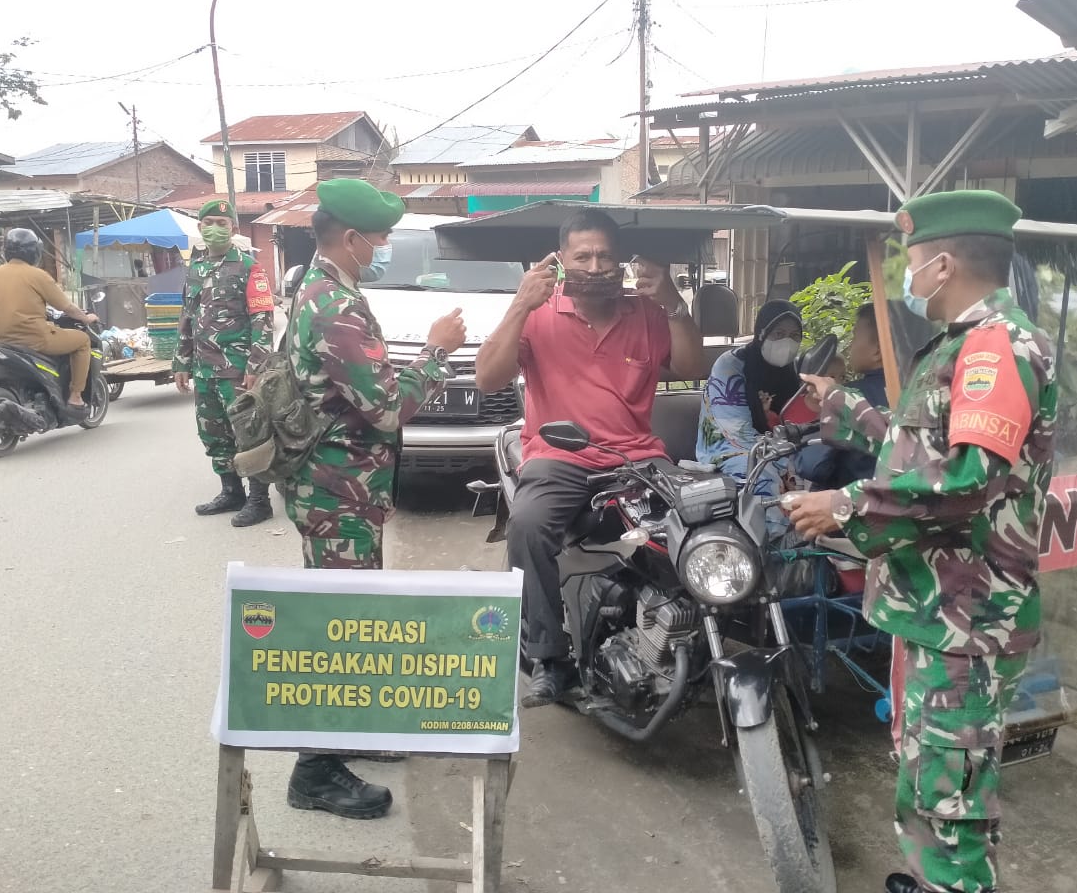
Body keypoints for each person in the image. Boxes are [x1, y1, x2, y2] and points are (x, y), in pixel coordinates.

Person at [783, 190, 1058, 893]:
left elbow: (967, 482)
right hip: (937, 611)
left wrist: (842, 504)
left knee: (951, 801)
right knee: (932, 783)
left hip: (965, 622)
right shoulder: (967, 344)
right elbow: (926, 454)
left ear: (943, 263)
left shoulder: (996, 349)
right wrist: (846, 407)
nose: (905, 278)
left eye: (909, 260)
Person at [281, 178, 467, 819]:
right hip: (338, 489)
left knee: (348, 611)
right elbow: (386, 407)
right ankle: (315, 771)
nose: (385, 245)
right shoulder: (334, 303)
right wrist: (438, 353)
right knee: (336, 625)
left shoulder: (328, 286)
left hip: (342, 485)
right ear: (351, 236)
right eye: (381, 236)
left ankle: (351, 731)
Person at [475, 207, 707, 706]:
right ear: (561, 260)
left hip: (639, 459)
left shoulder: (646, 312)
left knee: (699, 523)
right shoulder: (538, 312)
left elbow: (693, 366)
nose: (596, 266)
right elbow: (488, 379)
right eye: (583, 256)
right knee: (530, 526)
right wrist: (519, 305)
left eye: (606, 256)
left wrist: (675, 304)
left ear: (621, 261)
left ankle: (684, 633)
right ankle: (548, 656)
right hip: (559, 456)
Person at [172, 200, 275, 526]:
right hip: (204, 368)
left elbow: (263, 319)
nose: (215, 227)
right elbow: (187, 317)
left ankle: (260, 500)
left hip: (237, 368)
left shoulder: (248, 268)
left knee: (248, 433)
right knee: (213, 432)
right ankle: (231, 491)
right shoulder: (195, 269)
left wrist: (256, 366)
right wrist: (181, 362)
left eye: (222, 221)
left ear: (233, 228)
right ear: (200, 228)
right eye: (209, 222)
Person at [0, 229, 99, 410]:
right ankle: (76, 396)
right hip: (34, 339)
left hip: (0, 340)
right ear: (33, 251)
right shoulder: (38, 275)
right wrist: (86, 318)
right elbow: (67, 307)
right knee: (83, 341)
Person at [695, 300, 803, 478]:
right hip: (728, 449)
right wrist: (788, 461)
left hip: (776, 449)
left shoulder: (793, 370)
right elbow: (738, 433)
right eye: (779, 333)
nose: (787, 342)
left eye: (794, 335)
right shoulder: (730, 366)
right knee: (768, 476)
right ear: (762, 333)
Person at [795, 302, 888, 489]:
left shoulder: (848, 397)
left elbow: (812, 465)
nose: (851, 345)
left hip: (852, 507)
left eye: (854, 337)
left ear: (877, 350)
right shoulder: (915, 389)